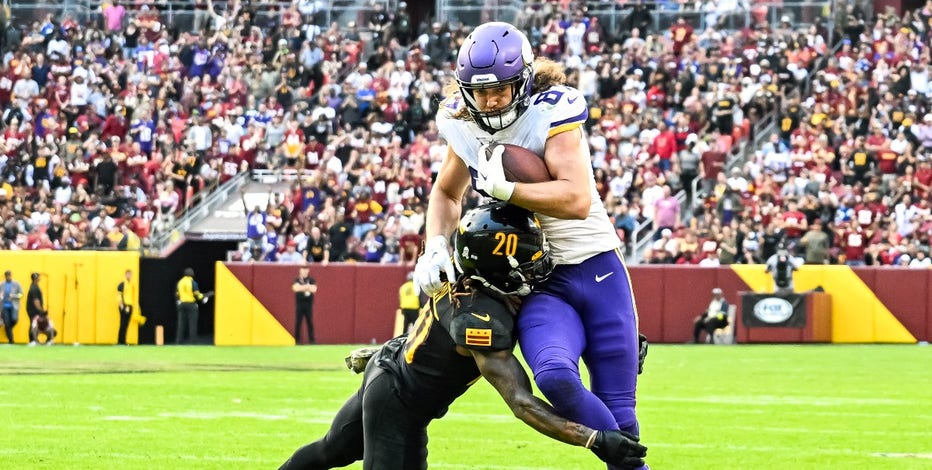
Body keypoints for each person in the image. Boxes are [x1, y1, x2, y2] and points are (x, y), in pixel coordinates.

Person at [280, 202, 647, 470]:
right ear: (499, 269)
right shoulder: (479, 317)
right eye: (528, 258)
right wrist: (592, 438)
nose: (538, 264)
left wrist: (614, 341)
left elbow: (554, 324)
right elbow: (521, 403)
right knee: (335, 451)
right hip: (398, 401)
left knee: (332, 450)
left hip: (392, 363)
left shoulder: (475, 279)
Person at [416, 22, 645, 449]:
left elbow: (576, 200)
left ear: (523, 79)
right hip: (539, 280)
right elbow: (446, 192)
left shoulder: (552, 109)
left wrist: (507, 190)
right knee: (556, 378)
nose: (490, 99)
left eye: (501, 89)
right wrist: (434, 245)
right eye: (480, 91)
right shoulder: (458, 121)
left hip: (595, 265)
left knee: (621, 411)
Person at [175, 267, 205, 344]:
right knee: (192, 323)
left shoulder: (180, 282)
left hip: (181, 304)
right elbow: (197, 294)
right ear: (192, 274)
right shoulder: (193, 282)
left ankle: (179, 341)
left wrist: (178, 302)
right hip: (191, 304)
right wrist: (204, 297)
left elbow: (177, 294)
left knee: (181, 323)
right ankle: (193, 341)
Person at [292, 263, 317, 344]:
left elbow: (314, 289)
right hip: (299, 304)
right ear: (300, 271)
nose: (304, 271)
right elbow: (296, 288)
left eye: (306, 269)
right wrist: (307, 287)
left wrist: (302, 287)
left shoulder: (311, 280)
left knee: (310, 322)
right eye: (303, 269)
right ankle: (297, 341)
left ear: (308, 270)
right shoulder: (297, 280)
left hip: (308, 304)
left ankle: (312, 340)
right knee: (298, 322)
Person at [1, 270, 24, 344]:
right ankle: (11, 341)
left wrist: (14, 296)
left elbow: (21, 294)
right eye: (7, 276)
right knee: (7, 323)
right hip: (4, 306)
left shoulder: (17, 284)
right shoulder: (1, 284)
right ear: (5, 276)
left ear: (11, 275)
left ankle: (8, 329)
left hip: (14, 306)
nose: (8, 277)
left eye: (9, 275)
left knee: (14, 320)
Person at [117, 269, 135, 345]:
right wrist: (121, 305)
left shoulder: (131, 284)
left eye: (130, 274)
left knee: (126, 324)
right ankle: (120, 341)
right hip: (124, 305)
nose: (129, 276)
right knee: (123, 323)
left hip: (129, 306)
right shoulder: (122, 284)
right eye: (128, 274)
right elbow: (119, 295)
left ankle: (124, 341)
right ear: (125, 275)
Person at [26, 273, 45, 346]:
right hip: (33, 310)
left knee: (34, 324)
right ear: (36, 278)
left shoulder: (35, 286)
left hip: (33, 310)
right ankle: (32, 341)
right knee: (33, 325)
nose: (40, 278)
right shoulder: (34, 288)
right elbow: (36, 301)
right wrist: (41, 310)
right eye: (39, 277)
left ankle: (34, 340)